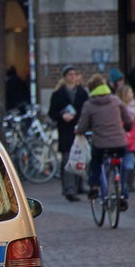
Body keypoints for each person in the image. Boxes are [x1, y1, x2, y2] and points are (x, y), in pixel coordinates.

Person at [75, 74, 133, 208]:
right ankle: (122, 192)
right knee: (121, 163)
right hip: (120, 143)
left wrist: (79, 131)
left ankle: (94, 187)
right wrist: (125, 129)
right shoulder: (116, 100)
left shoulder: (89, 104)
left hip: (101, 144)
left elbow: (82, 127)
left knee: (95, 162)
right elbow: (129, 121)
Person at [49, 65, 89, 202]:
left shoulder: (82, 93)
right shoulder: (58, 94)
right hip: (65, 130)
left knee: (80, 157)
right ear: (65, 77)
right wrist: (62, 116)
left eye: (74, 74)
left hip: (80, 129)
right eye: (70, 74)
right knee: (67, 159)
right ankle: (69, 189)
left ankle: (79, 185)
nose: (72, 77)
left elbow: (87, 110)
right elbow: (51, 112)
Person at [116, 85, 135, 192]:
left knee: (130, 161)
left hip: (132, 136)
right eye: (129, 93)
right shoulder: (120, 109)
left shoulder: (133, 108)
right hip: (125, 137)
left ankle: (128, 183)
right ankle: (124, 183)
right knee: (126, 161)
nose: (132, 95)